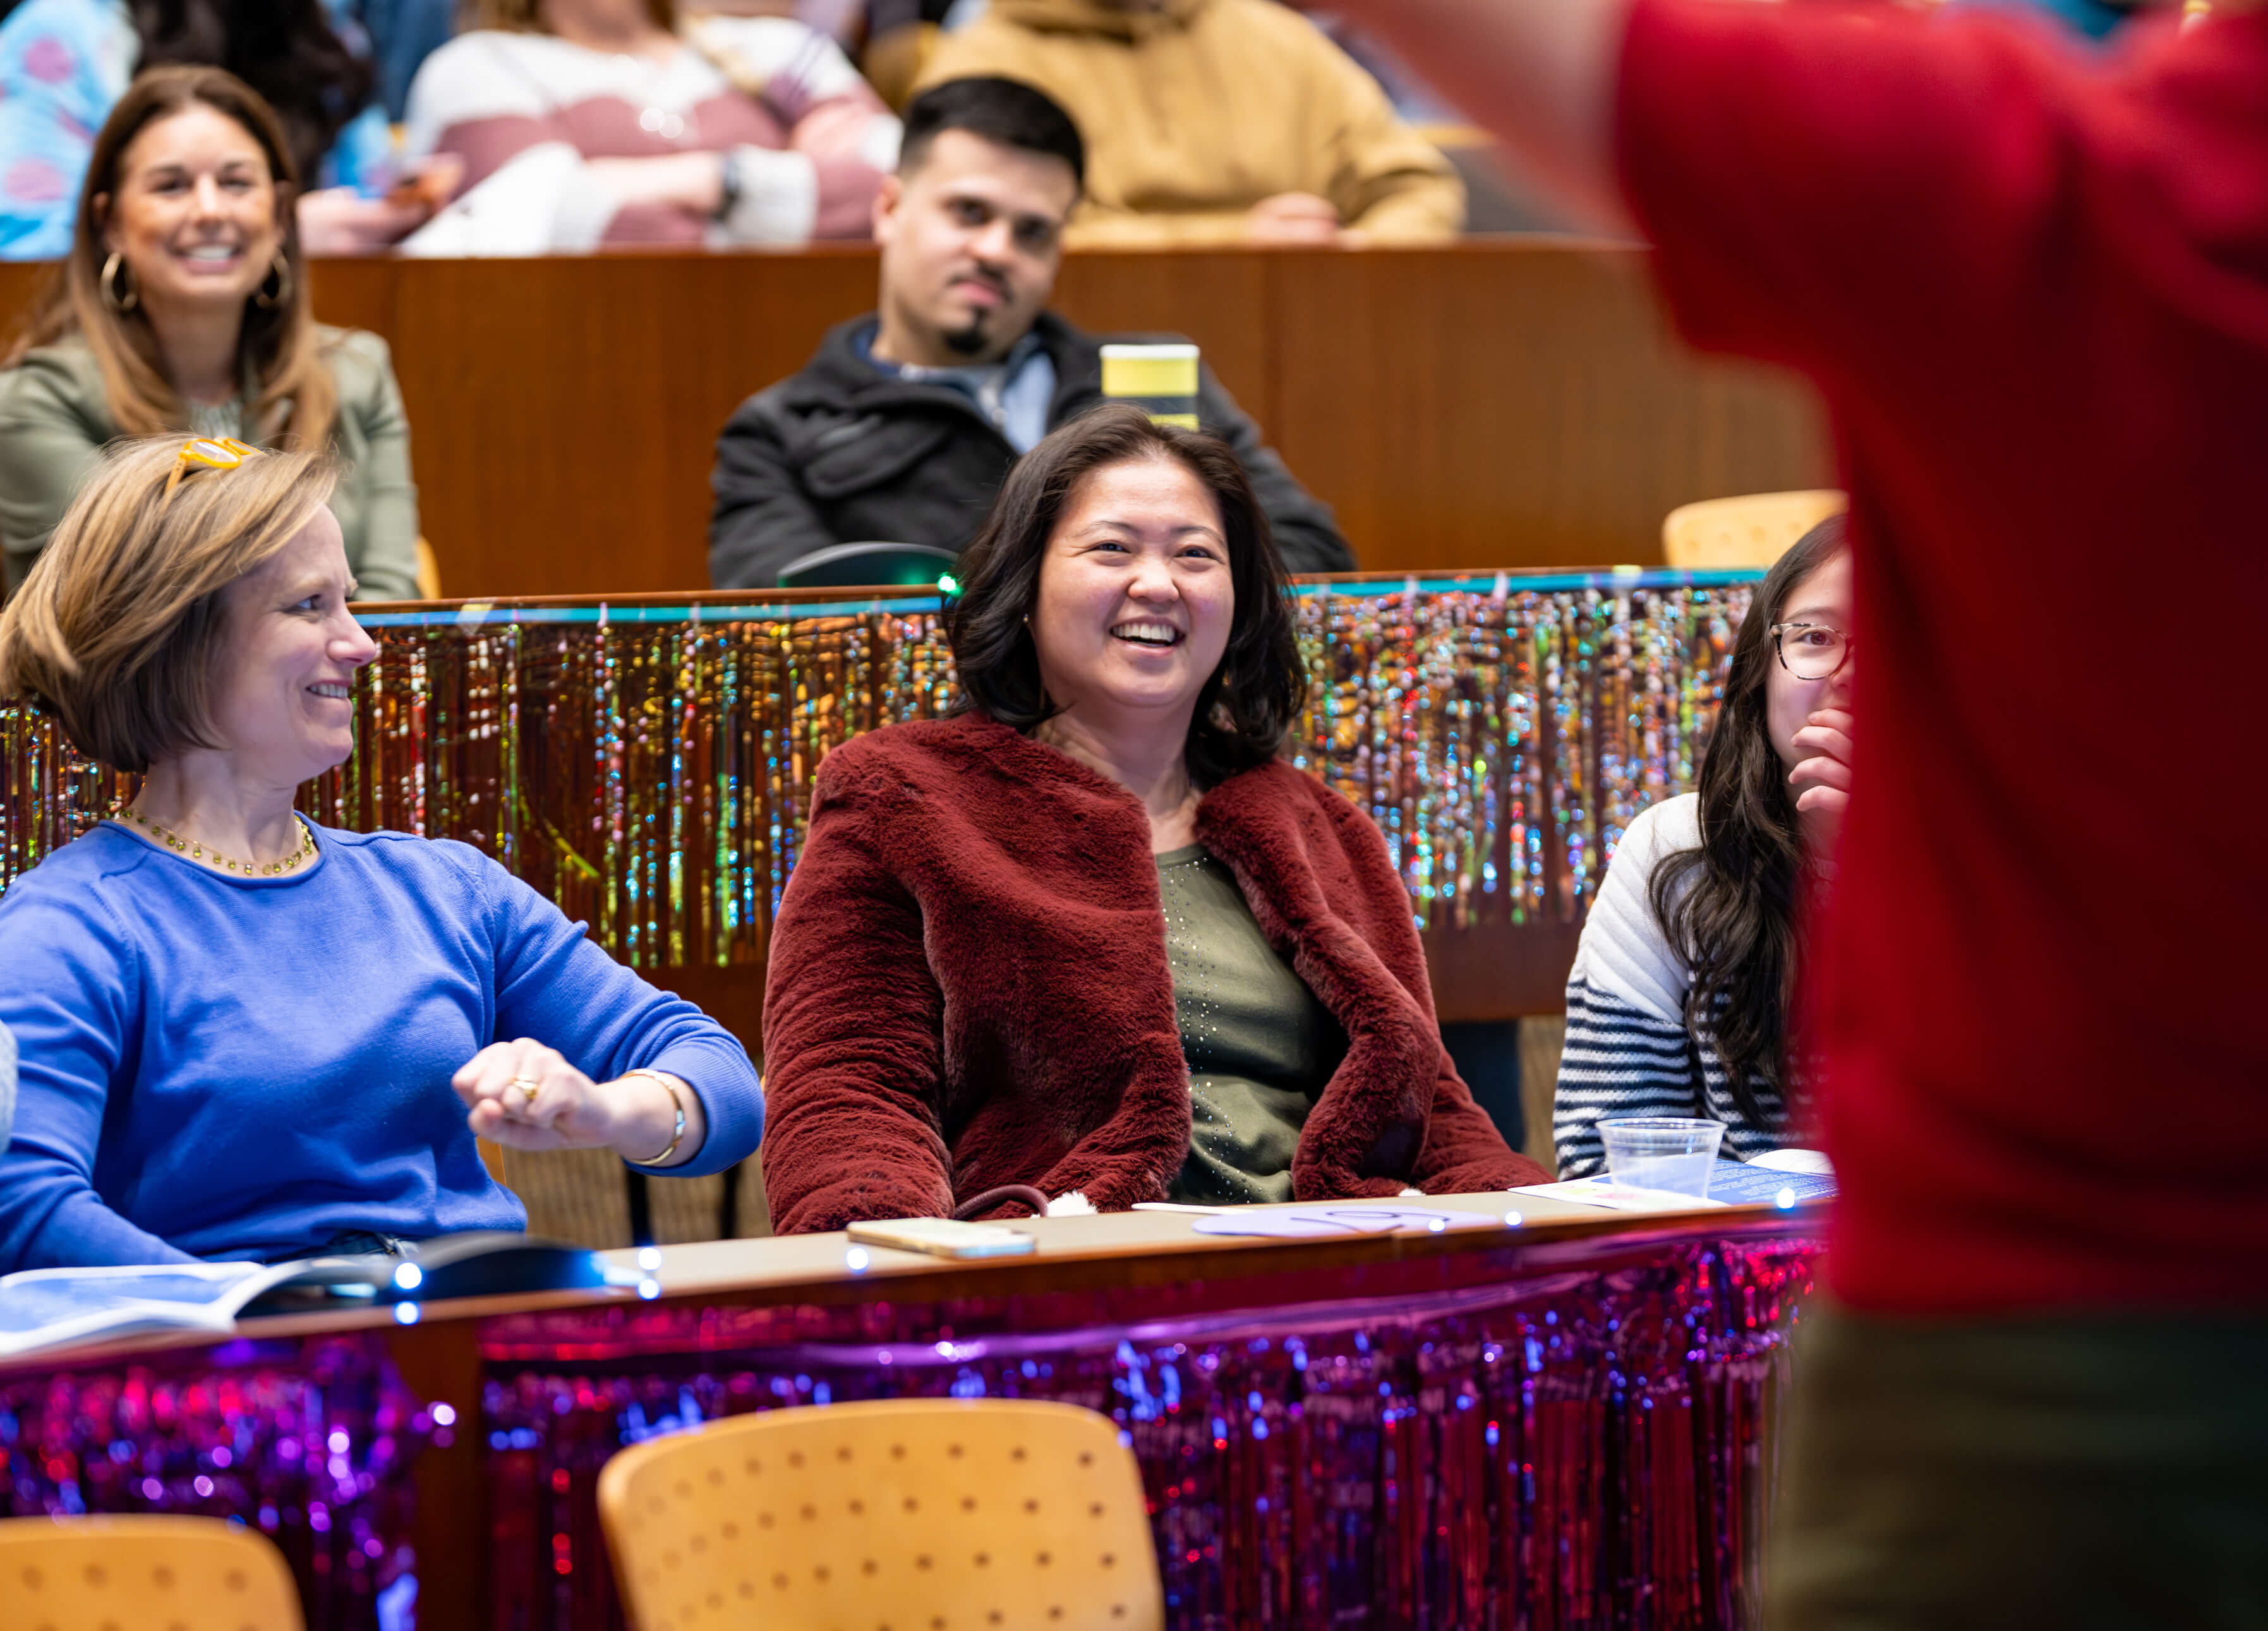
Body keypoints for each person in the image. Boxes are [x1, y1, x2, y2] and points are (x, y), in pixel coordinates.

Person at [1329, 0, 2268, 1622]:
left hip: (2021, 1376)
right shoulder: (1676, 855)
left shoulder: (2012, 177)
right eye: (1800, 643)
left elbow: (1547, 57)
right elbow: (1605, 1146)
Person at [759, 405, 1543, 1234]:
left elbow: (1437, 1112)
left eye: (1195, 555)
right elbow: (848, 1090)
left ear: (1236, 604)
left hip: (1329, 1265)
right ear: (1022, 586)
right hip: (1071, 1277)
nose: (1159, 583)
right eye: (1113, 547)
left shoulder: (1318, 823)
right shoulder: (900, 793)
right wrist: (891, 1277)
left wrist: (1541, 1227)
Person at [0, 435, 764, 1272]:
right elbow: (26, 1207)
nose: (362, 643)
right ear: (178, 636)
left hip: (472, 1333)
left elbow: (719, 1075)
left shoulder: (444, 888)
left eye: (350, 601)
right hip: (245, 1379)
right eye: (310, 605)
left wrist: (610, 1110)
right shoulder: (68, 925)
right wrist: (265, 1325)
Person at [709, 76, 1352, 587]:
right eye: (969, 212)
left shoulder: (1147, 375)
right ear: (888, 209)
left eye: (1032, 231)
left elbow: (1310, 554)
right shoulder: (781, 431)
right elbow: (785, 637)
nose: (995, 249)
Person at [0, 68, 419, 601]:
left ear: (282, 214)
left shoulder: (357, 373)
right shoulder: (34, 403)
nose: (210, 210)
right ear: (111, 224)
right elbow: (151, 613)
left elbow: (393, 606)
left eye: (237, 183)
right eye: (171, 186)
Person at [1553, 517, 1851, 1177]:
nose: (1847, 674)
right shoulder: (1676, 852)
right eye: (1813, 637)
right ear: (1757, 671)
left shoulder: (2024, 862)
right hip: (1725, 1269)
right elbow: (1604, 1160)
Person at [912, 0, 1464, 248]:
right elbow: (1011, 243)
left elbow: (1416, 186)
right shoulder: (987, 61)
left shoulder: (1280, 41)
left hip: (1319, 342)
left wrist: (1349, 257)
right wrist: (1239, 249)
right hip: (1090, 382)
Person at [399, 0, 901, 254]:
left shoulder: (780, 49)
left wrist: (719, 181)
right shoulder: (476, 66)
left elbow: (904, 185)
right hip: (577, 371)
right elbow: (539, 218)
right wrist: (796, 181)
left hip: (791, 358)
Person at [0, 0, 446, 260]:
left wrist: (397, 214)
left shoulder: (325, 38)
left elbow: (358, 198)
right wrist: (274, 240)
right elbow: (26, 262)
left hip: (306, 355)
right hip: (124, 377)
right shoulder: (66, 35)